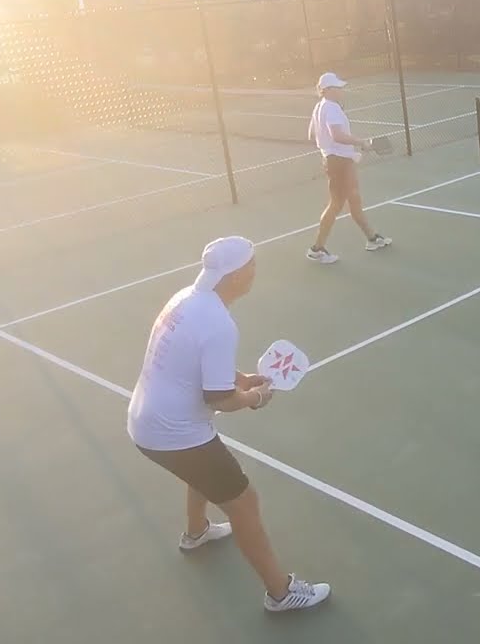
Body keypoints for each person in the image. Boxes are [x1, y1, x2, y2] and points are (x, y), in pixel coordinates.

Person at [126, 235, 331, 613]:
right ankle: (281, 593)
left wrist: (242, 378)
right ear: (236, 275)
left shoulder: (186, 298)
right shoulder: (219, 324)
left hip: (147, 420)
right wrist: (254, 398)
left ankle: (196, 532)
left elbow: (201, 365)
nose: (255, 270)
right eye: (251, 264)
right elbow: (219, 400)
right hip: (173, 432)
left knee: (201, 467)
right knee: (244, 503)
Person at [305, 72, 391, 264]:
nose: (341, 90)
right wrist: (361, 143)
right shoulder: (332, 107)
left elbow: (311, 134)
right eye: (337, 87)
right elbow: (337, 135)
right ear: (327, 90)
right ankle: (317, 249)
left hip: (338, 159)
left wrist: (327, 148)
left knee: (354, 199)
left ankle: (372, 238)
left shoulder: (319, 107)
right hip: (339, 162)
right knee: (336, 205)